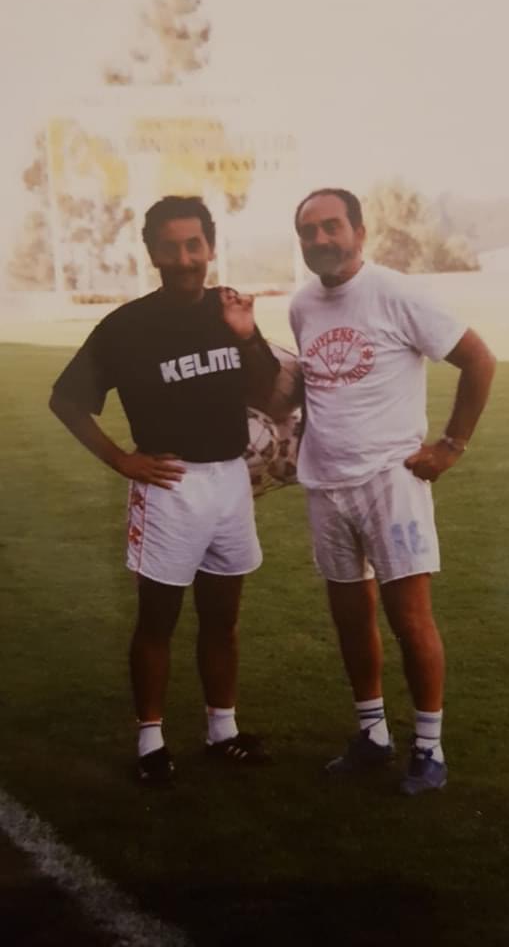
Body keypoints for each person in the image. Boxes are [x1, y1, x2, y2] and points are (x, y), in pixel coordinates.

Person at [49, 195, 279, 784]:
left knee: (222, 618)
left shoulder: (228, 310)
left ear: (210, 247)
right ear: (152, 252)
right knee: (158, 620)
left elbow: (268, 389)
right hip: (170, 486)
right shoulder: (126, 327)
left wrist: (247, 335)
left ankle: (222, 731)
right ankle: (150, 741)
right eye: (170, 247)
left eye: (193, 245)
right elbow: (66, 400)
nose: (184, 259)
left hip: (231, 481)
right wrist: (121, 459)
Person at [290, 188, 496, 795]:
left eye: (332, 227)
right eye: (309, 231)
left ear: (359, 231)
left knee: (410, 619)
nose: (321, 239)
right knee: (351, 620)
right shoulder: (302, 305)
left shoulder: (395, 292)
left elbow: (479, 360)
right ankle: (372, 735)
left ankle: (428, 750)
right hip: (325, 484)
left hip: (390, 481)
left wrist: (451, 446)